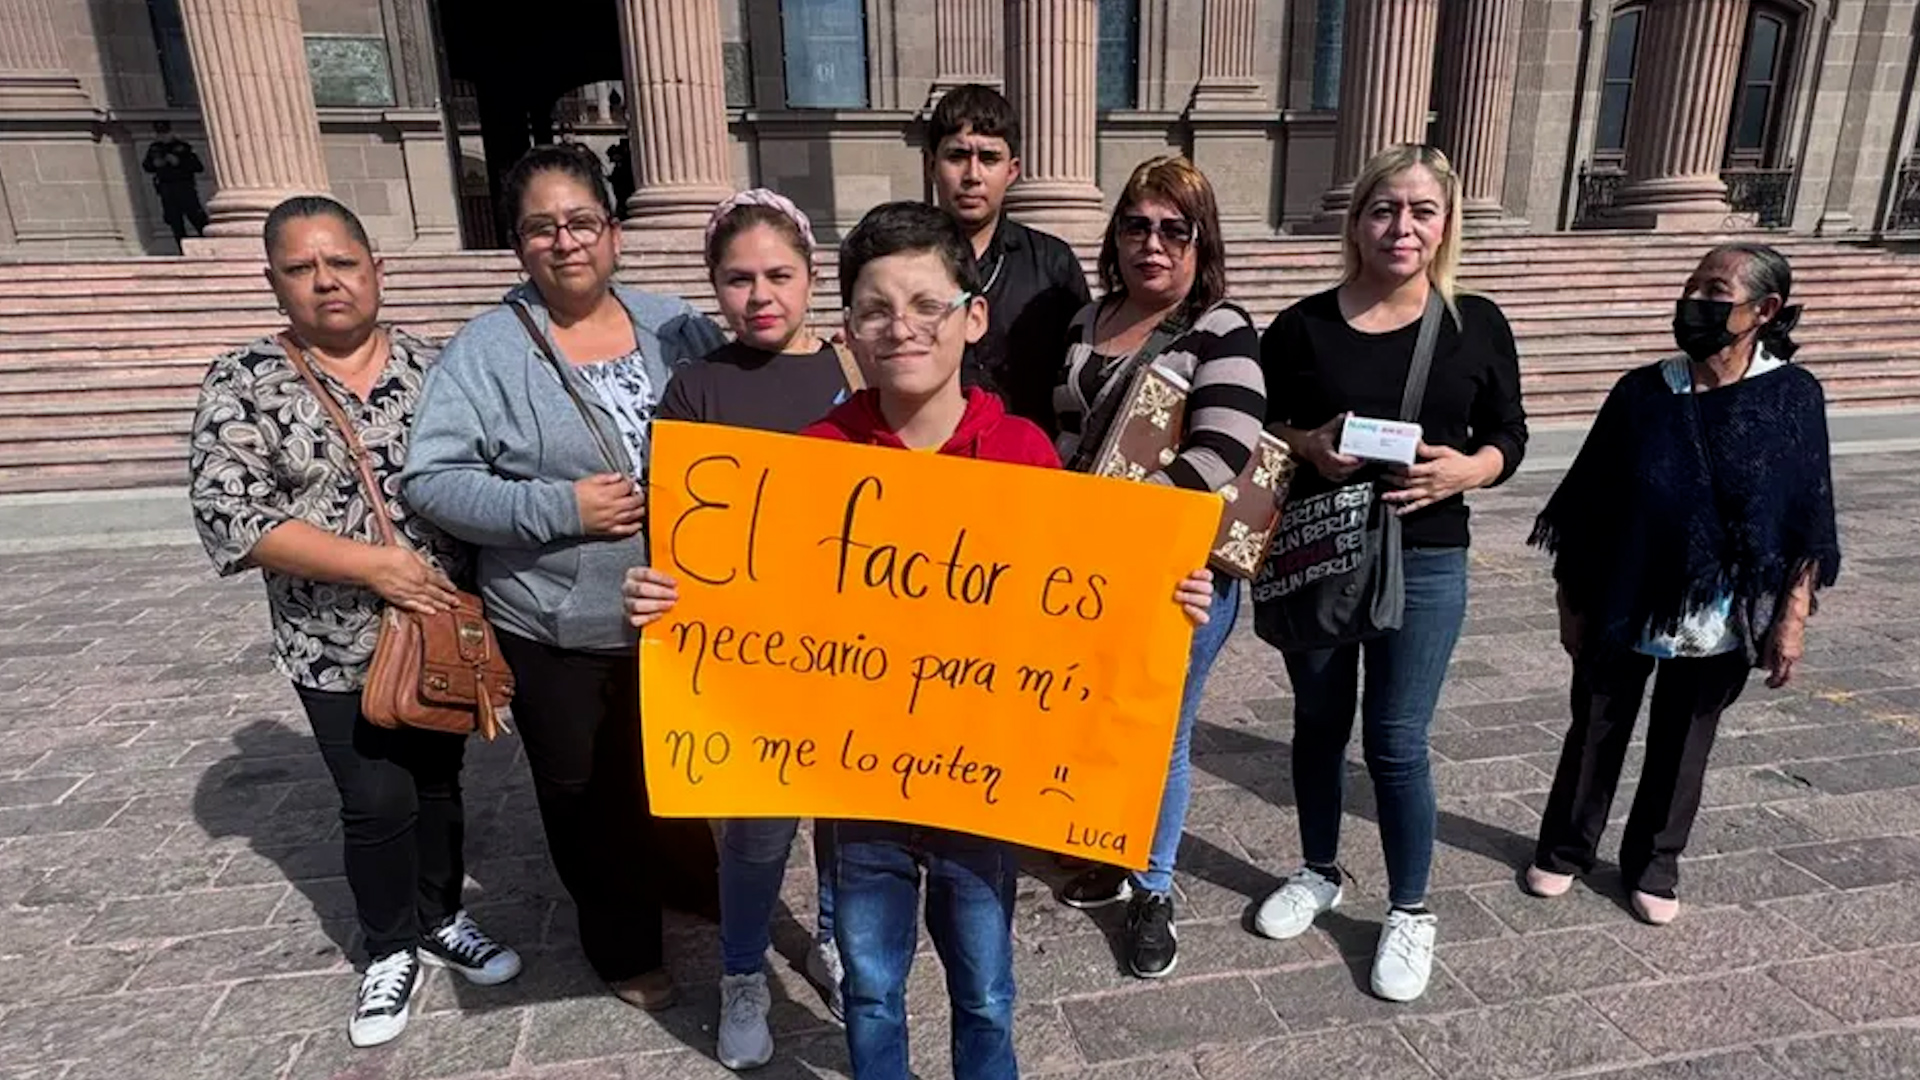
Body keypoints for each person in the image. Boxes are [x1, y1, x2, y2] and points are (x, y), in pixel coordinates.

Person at [624, 201, 1216, 1080]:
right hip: (860, 793)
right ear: (850, 330)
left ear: (972, 316)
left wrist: (1166, 597)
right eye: (875, 310)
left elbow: (1076, 602)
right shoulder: (815, 456)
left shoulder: (1021, 453)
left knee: (985, 990)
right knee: (869, 988)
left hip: (985, 791)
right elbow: (765, 605)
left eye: (925, 304)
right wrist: (671, 599)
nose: (901, 328)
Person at [187, 195, 520, 1049]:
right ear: (274, 283)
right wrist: (373, 566)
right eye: (301, 268)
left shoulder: (436, 368)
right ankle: (388, 946)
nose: (325, 281)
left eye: (341, 261)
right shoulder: (246, 379)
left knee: (441, 783)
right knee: (375, 799)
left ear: (377, 268)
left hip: (443, 634)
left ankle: (442, 916)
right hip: (333, 643)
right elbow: (229, 512)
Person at [401, 144, 725, 1012]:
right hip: (560, 623)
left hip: (678, 610)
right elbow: (430, 477)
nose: (565, 241)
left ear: (614, 233)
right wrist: (560, 511)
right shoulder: (486, 350)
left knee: (675, 770)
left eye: (581, 221)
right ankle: (620, 946)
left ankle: (692, 883)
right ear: (518, 245)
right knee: (585, 795)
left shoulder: (676, 325)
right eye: (541, 227)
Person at [1252, 145, 1528, 1002]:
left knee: (1397, 742)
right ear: (1357, 220)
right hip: (1323, 549)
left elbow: (1508, 438)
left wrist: (1468, 471)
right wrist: (1309, 445)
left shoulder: (1474, 322)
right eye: (1384, 209)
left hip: (1427, 550)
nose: (1401, 227)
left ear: (1445, 226)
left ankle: (1410, 910)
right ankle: (1319, 869)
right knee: (1319, 724)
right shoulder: (1300, 326)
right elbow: (1265, 431)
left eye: (1421, 211)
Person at [1524, 243, 1840, 926]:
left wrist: (1792, 618)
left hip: (1719, 612)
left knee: (1684, 740)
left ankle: (1655, 865)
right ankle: (1566, 848)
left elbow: (1807, 518)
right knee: (1596, 725)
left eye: (1716, 289)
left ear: (1765, 310)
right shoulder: (1643, 391)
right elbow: (1585, 504)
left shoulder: (1792, 397)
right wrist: (1568, 598)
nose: (1696, 300)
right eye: (1692, 285)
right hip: (1623, 593)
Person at [1048, 155, 1265, 981]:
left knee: (1165, 733)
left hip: (1178, 570)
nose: (1155, 244)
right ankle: (1113, 851)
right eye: (1137, 225)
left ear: (1201, 244)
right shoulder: (1087, 318)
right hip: (1090, 567)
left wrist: (1120, 519)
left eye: (1176, 229)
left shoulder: (1223, 326)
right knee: (1105, 718)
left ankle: (1156, 888)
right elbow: (1063, 434)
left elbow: (1223, 452)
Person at [655, 188, 854, 1070]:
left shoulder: (855, 373)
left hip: (854, 645)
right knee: (759, 829)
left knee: (849, 823)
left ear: (812, 278)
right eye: (738, 279)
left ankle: (836, 941)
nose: (760, 294)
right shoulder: (697, 387)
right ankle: (742, 974)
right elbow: (676, 529)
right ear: (713, 287)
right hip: (751, 649)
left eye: (779, 274)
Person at [926, 83, 1091, 432]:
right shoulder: (901, 262)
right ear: (931, 164)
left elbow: (1078, 377)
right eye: (957, 156)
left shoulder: (1053, 264)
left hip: (1028, 467)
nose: (972, 176)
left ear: (1012, 171)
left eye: (988, 158)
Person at [144, 120, 210, 243]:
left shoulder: (183, 147)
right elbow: (147, 166)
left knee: (195, 215)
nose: (162, 136)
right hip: (166, 189)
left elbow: (197, 167)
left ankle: (208, 240)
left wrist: (179, 162)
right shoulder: (155, 148)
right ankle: (181, 245)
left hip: (184, 186)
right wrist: (155, 164)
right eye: (159, 133)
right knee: (174, 220)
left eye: (164, 132)